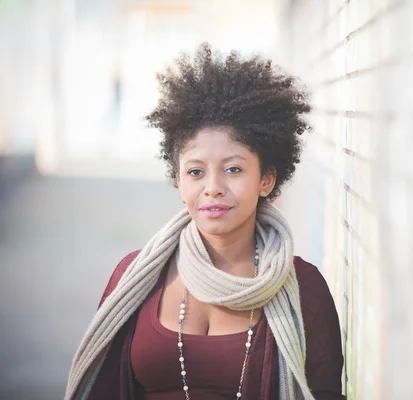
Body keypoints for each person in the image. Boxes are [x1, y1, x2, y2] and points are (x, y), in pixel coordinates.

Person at [65, 44, 345, 400]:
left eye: (233, 169)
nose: (213, 188)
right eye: (196, 171)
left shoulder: (304, 291)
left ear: (266, 180)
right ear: (179, 182)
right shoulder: (136, 277)